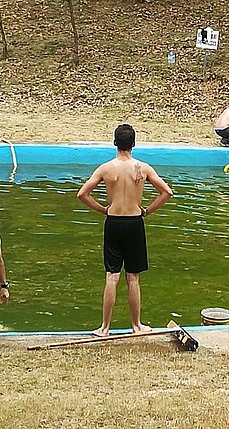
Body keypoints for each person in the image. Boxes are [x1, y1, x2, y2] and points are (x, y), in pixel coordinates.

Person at [77, 124, 174, 337]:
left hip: (113, 223)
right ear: (133, 144)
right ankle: (136, 325)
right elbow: (167, 192)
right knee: (133, 277)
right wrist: (147, 211)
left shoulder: (105, 168)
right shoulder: (143, 168)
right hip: (134, 223)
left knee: (112, 276)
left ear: (114, 143)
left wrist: (103, 209)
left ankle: (104, 328)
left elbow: (82, 194)